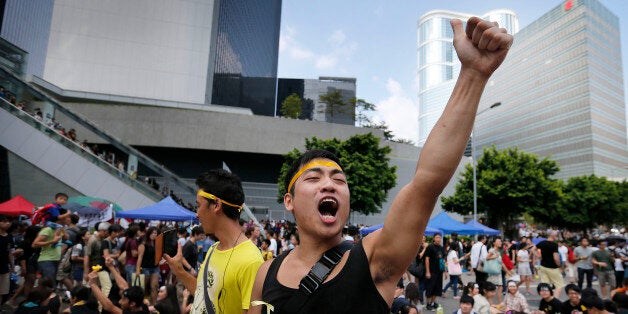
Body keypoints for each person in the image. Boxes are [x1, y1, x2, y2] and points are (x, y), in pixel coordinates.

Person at [250, 16, 513, 314]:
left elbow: (426, 185)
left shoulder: (374, 257)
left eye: (339, 179)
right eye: (313, 178)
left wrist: (473, 75)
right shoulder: (265, 273)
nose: (329, 184)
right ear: (289, 201)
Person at [163, 169, 264, 313]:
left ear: (216, 205)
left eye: (198, 205)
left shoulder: (251, 261)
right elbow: (204, 295)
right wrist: (179, 271)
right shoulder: (213, 248)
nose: (197, 213)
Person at [136, 227, 160, 305]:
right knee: (144, 287)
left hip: (155, 267)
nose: (153, 235)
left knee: (154, 287)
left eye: (155, 233)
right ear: (149, 233)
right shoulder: (143, 243)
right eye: (152, 233)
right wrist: (138, 270)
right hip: (145, 267)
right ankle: (143, 304)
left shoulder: (157, 243)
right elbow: (140, 257)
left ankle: (154, 305)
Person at [536, 231, 564, 298]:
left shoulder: (542, 243)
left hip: (543, 266)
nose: (556, 237)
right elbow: (556, 258)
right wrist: (560, 266)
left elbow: (532, 249)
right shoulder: (554, 244)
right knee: (559, 285)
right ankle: (554, 301)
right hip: (553, 267)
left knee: (545, 285)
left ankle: (546, 300)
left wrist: (538, 256)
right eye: (556, 235)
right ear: (553, 236)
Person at [425, 233, 447, 309]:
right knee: (430, 287)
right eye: (437, 237)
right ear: (434, 238)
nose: (438, 239)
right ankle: (428, 303)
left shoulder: (441, 248)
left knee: (437, 288)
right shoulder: (430, 247)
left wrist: (445, 271)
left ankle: (432, 302)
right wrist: (427, 271)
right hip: (432, 271)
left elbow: (443, 260)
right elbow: (427, 259)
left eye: (440, 238)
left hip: (439, 272)